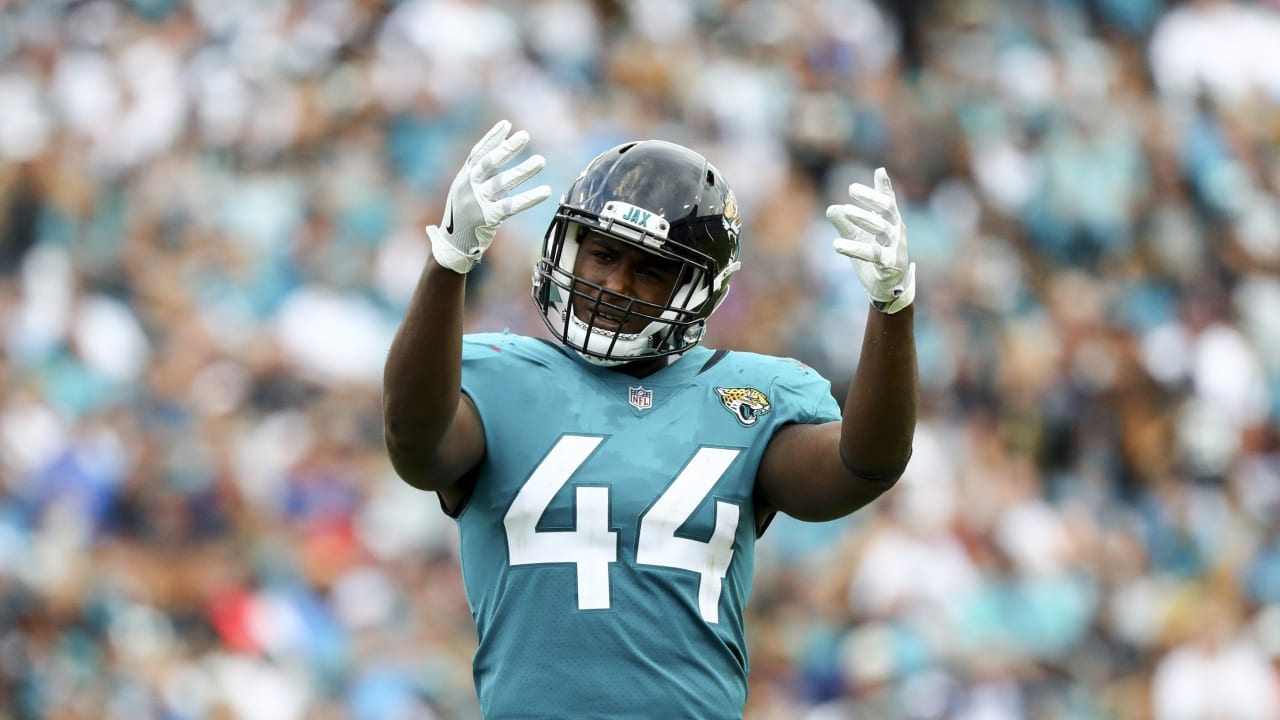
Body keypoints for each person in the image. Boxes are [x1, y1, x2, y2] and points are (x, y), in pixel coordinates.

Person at [382, 120, 918, 719]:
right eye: (603, 255)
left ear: (698, 289)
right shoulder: (497, 374)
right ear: (567, 248)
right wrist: (448, 263)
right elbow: (414, 444)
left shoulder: (751, 393)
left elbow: (862, 467)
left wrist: (891, 310)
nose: (615, 284)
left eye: (650, 270)